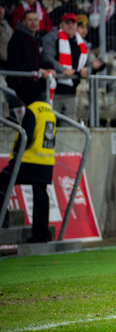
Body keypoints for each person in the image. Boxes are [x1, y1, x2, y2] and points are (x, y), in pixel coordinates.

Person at [0, 83, 56, 242]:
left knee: (2, 182)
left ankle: (3, 221)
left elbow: (26, 136)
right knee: (41, 197)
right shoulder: (49, 110)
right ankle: (42, 234)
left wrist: (15, 156)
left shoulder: (33, 109)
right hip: (46, 160)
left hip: (29, 161)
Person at [42, 13, 104, 120]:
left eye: (73, 23)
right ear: (61, 25)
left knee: (68, 125)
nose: (70, 26)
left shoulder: (82, 43)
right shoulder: (52, 38)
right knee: (50, 123)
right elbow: (47, 57)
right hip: (53, 90)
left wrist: (87, 70)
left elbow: (88, 64)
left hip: (71, 92)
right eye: (67, 23)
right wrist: (63, 70)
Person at [6, 10, 55, 101]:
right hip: (18, 88)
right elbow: (14, 64)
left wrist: (48, 69)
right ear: (23, 22)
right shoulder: (16, 39)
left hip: (33, 87)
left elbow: (38, 61)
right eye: (30, 20)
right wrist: (37, 70)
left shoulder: (37, 39)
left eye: (36, 20)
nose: (33, 23)